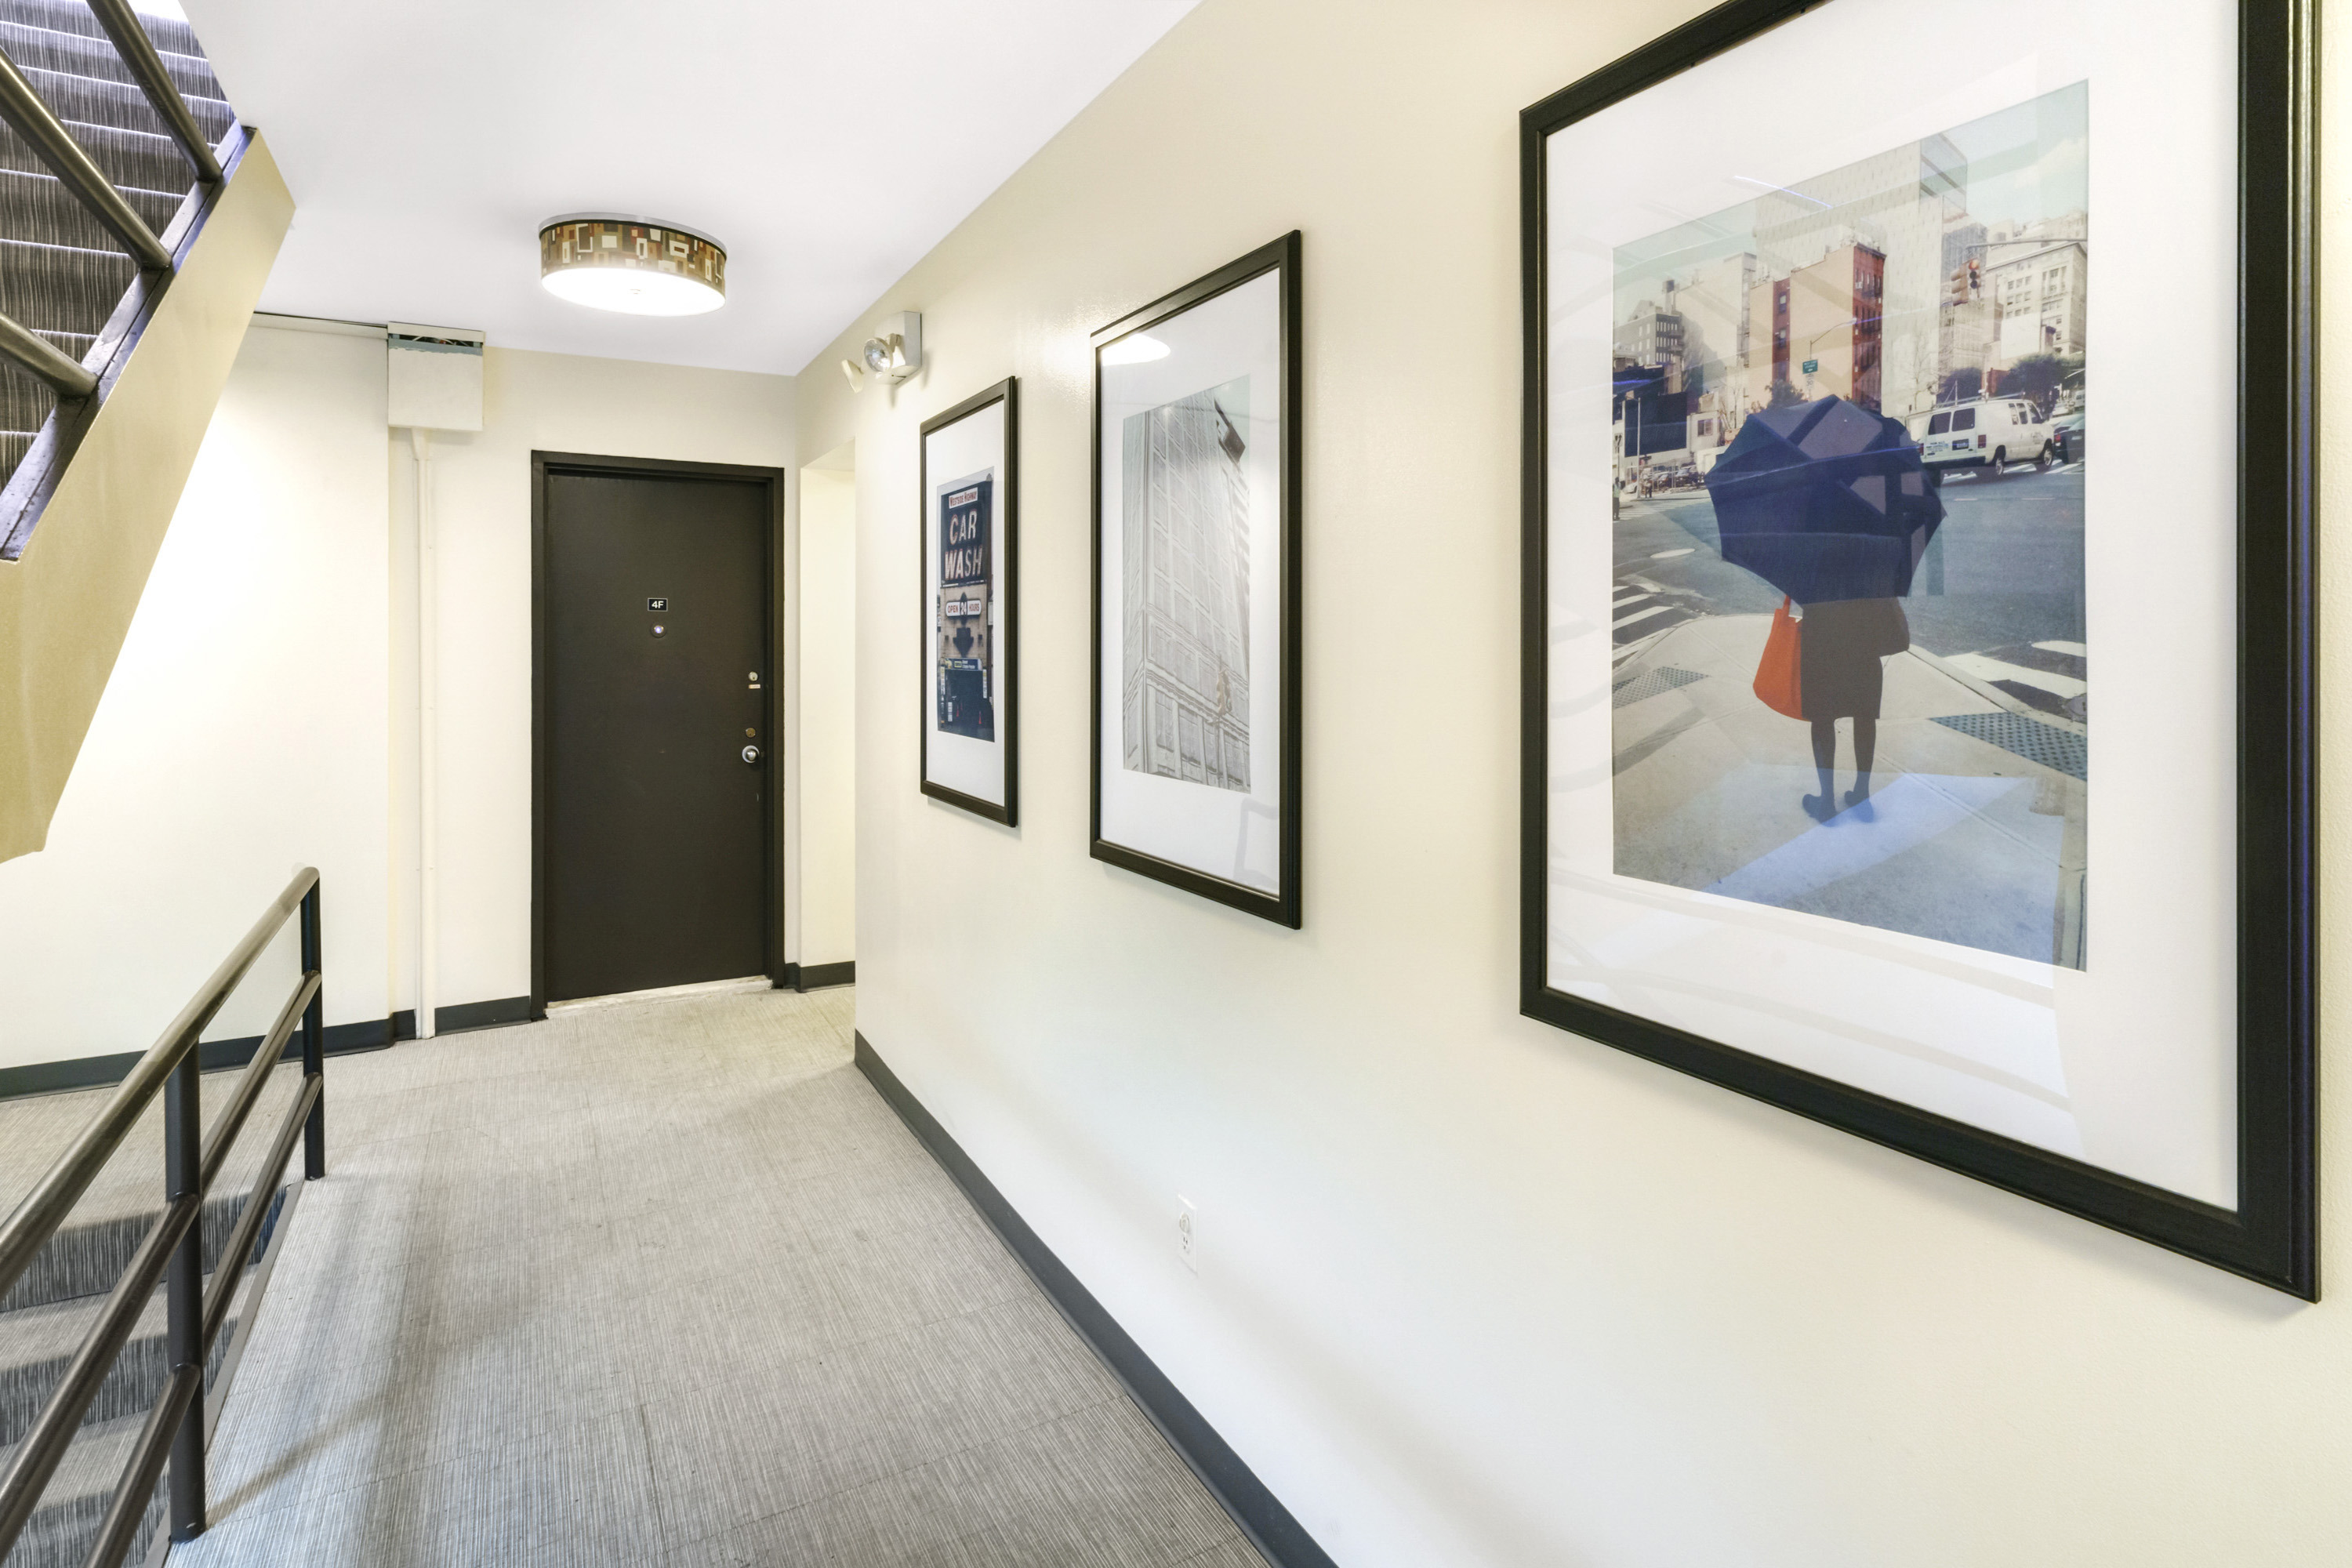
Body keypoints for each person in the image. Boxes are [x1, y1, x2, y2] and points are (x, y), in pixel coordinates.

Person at [1795, 596, 1909, 822]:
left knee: (1822, 718)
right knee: (1865, 715)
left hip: (1822, 637)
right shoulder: (1872, 571)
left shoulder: (1819, 572)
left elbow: (1805, 595)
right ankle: (1862, 796)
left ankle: (1826, 802)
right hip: (1865, 637)